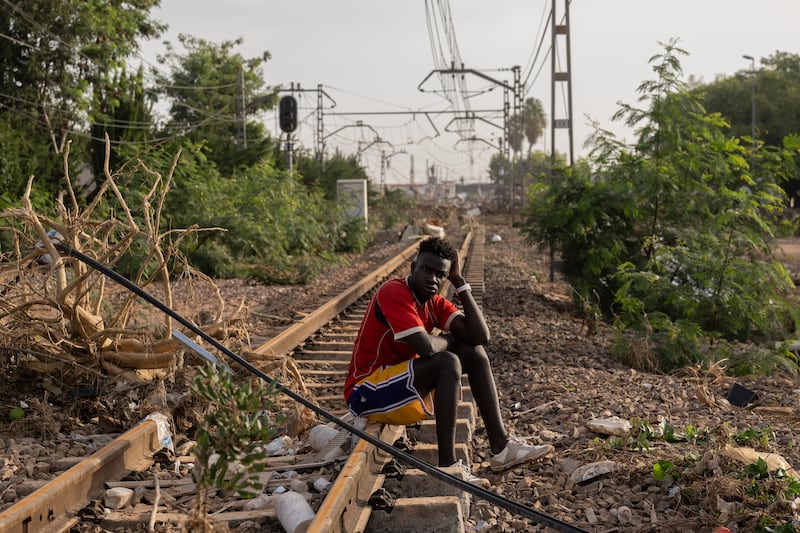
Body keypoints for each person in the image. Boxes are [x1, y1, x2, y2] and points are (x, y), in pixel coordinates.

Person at [343, 236, 553, 484]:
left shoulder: (435, 303)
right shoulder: (394, 292)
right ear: (413, 268)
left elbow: (480, 336)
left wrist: (461, 284)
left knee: (474, 353)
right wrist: (450, 340)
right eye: (425, 270)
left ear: (446, 278)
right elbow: (427, 347)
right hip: (364, 392)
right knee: (448, 362)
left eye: (440, 274)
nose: (432, 278)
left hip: (394, 386)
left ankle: (501, 447)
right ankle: (447, 466)